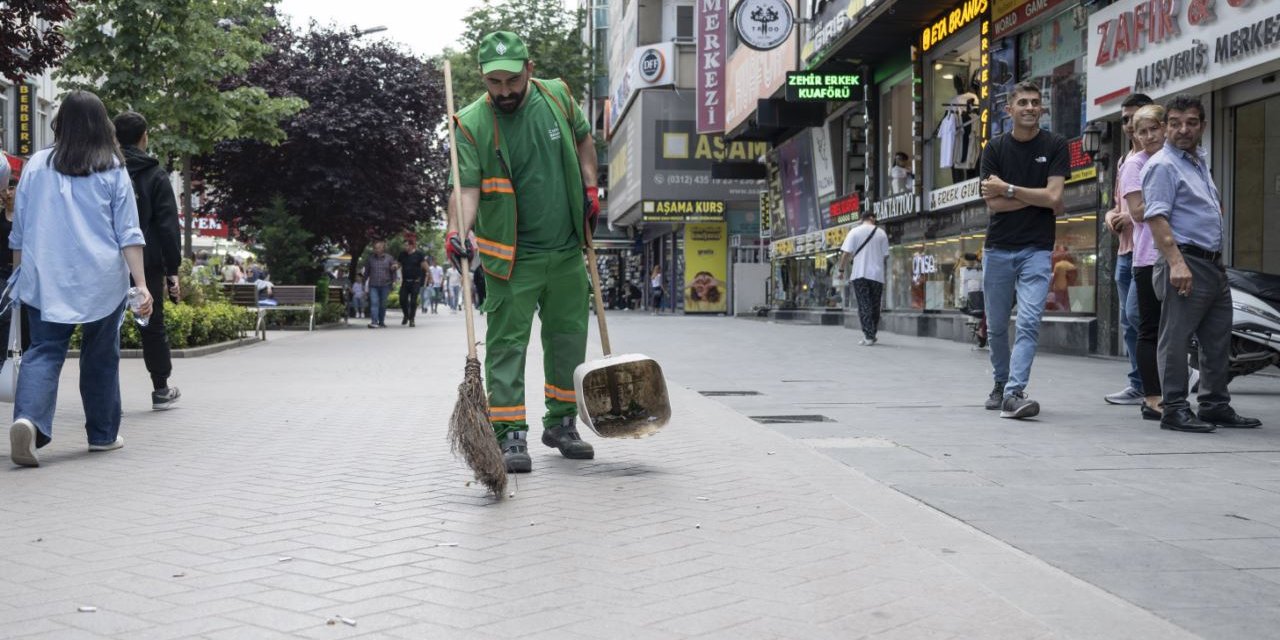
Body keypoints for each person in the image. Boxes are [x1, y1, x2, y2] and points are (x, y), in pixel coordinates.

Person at [446, 30, 599, 473]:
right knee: (507, 347)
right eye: (494, 82)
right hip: (510, 258)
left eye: (512, 80)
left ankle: (563, 423)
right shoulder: (471, 123)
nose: (504, 91)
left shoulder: (557, 97)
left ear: (529, 69)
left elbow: (585, 141)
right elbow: (466, 188)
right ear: (483, 78)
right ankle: (510, 434)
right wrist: (459, 230)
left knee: (567, 339)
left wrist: (591, 186)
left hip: (568, 247)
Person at [8, 90, 153, 468]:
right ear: (102, 124)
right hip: (101, 279)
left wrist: (18, 274)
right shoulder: (112, 167)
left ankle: (29, 421)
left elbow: (19, 230)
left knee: (44, 351)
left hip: (45, 276)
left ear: (60, 122)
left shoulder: (37, 166)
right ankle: (102, 435)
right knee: (101, 355)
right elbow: (129, 232)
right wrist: (141, 283)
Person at [1141, 94, 1261, 433]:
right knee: (1176, 339)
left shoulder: (1195, 161)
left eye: (1191, 122)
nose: (1183, 129)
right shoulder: (1164, 165)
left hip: (1211, 265)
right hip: (1185, 263)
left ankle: (1214, 404)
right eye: (1175, 123)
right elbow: (1157, 218)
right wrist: (1177, 264)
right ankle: (1174, 408)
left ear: (1203, 126)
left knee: (1217, 339)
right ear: (1164, 128)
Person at [978, 81, 1069, 419]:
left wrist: (1011, 189)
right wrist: (1038, 199)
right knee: (998, 326)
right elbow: (994, 204)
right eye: (1023, 103)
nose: (1030, 108)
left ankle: (1015, 391)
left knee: (1029, 321)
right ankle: (1000, 382)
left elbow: (1056, 198)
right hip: (998, 249)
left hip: (1037, 250)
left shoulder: (1055, 145)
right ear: (1010, 110)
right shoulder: (995, 148)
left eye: (1035, 103)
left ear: (1041, 109)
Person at [115, 111, 182, 410]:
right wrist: (173, 271)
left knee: (105, 325)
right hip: (149, 261)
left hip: (108, 261)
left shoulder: (105, 170)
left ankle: (104, 392)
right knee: (152, 324)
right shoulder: (156, 175)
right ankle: (160, 388)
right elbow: (168, 226)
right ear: (144, 137)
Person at [1103, 93, 1154, 406]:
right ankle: (1139, 382)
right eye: (1124, 119)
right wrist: (1111, 216)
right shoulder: (1123, 161)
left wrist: (1131, 217)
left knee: (1140, 316)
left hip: (1149, 252)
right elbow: (1117, 203)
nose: (1129, 125)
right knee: (1128, 321)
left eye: (1135, 117)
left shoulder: (1157, 157)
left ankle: (1173, 372)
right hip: (1124, 251)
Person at [1122, 104, 1168, 422]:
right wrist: (1175, 198)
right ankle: (1152, 398)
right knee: (1149, 328)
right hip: (1150, 258)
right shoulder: (1135, 164)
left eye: (1154, 128)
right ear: (1136, 136)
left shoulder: (1179, 160)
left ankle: (1174, 395)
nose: (1149, 135)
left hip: (1186, 254)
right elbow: (1137, 212)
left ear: (1165, 128)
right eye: (1143, 131)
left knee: (1177, 331)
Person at [837, 210, 889, 345]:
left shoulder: (854, 232)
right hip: (877, 275)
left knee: (864, 304)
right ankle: (872, 334)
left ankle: (869, 336)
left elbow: (845, 254)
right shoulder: (881, 233)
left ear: (862, 219)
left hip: (860, 274)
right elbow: (885, 255)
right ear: (873, 218)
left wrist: (841, 270)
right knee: (875, 305)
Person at [396, 235, 427, 326]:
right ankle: (406, 315)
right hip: (405, 281)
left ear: (412, 246)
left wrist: (430, 277)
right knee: (402, 299)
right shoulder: (402, 254)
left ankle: (412, 319)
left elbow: (425, 266)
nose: (405, 247)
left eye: (406, 245)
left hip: (415, 281)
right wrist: (395, 267)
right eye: (404, 246)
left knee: (413, 301)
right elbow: (398, 264)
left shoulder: (419, 254)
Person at [363, 240, 394, 328]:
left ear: (383, 248)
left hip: (385, 285)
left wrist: (394, 281)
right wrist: (363, 282)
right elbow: (366, 272)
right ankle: (374, 322)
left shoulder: (389, 258)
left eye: (378, 248)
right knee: (374, 302)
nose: (376, 250)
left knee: (383, 304)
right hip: (373, 285)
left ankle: (381, 321)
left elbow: (393, 271)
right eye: (375, 248)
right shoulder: (370, 259)